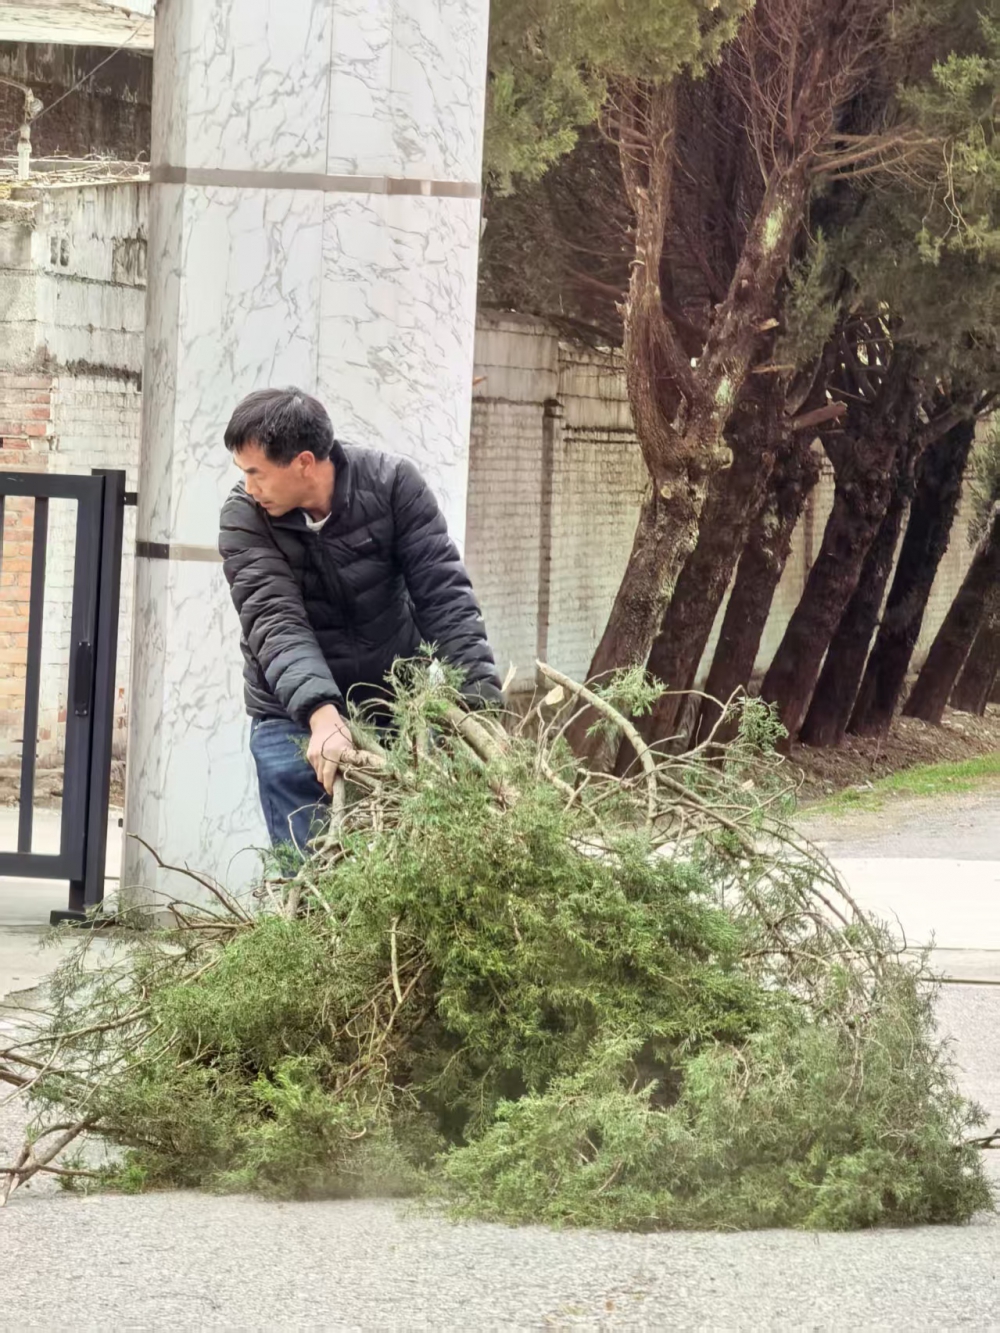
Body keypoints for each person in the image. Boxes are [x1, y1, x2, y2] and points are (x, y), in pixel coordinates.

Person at [219, 387, 502, 851]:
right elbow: (275, 620)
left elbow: (445, 598)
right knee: (310, 874)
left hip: (393, 707)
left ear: (304, 462)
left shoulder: (393, 485)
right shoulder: (244, 515)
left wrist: (480, 718)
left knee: (401, 864)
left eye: (256, 473)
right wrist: (321, 714)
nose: (250, 487)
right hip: (294, 717)